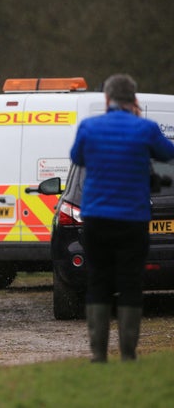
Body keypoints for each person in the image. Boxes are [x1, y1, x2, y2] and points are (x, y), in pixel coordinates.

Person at [70, 74, 174, 363]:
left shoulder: (89, 127)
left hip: (96, 218)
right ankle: (128, 353)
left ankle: (98, 354)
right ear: (134, 100)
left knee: (99, 281)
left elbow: (77, 157)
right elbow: (168, 154)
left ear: (107, 98)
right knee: (130, 282)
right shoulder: (145, 128)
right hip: (132, 218)